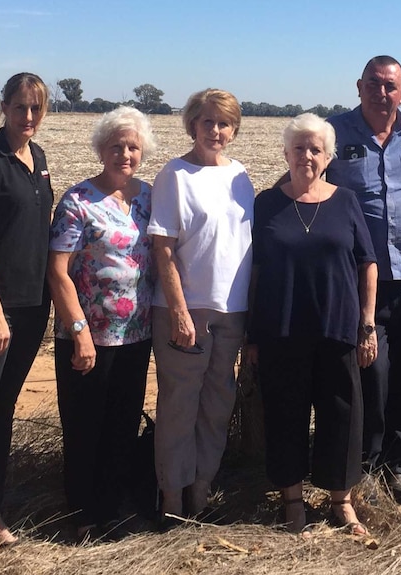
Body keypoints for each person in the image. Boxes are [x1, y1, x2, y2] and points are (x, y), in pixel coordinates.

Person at [245, 113, 377, 535]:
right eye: (298, 147)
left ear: (328, 156)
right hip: (280, 326)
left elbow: (367, 263)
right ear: (285, 153)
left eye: (315, 148)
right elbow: (253, 270)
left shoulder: (345, 200)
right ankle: (293, 501)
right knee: (285, 412)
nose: (306, 155)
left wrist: (367, 324)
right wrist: (251, 334)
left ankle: (341, 501)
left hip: (337, 325)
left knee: (343, 412)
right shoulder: (267, 202)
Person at [324, 55, 401, 504]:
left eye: (391, 86)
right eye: (374, 83)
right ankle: (366, 461)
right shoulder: (333, 133)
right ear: (359, 86)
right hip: (355, 279)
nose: (382, 92)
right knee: (369, 371)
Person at [47, 107, 157, 540]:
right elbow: (57, 271)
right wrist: (78, 332)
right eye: (116, 146)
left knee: (122, 422)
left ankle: (112, 508)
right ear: (101, 150)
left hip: (137, 334)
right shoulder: (77, 201)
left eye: (132, 147)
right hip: (88, 336)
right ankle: (82, 513)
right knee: (84, 423)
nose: (124, 154)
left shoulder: (147, 196)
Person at [149, 89, 254, 521]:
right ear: (192, 124)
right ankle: (171, 497)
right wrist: (178, 310)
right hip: (185, 312)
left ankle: (202, 489)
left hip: (233, 311)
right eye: (207, 121)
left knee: (217, 404)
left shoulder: (241, 176)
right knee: (178, 405)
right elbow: (163, 249)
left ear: (234, 130)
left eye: (224, 123)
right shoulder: (174, 175)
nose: (215, 130)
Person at [0, 73, 52, 554]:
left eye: (36, 110)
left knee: (4, 412)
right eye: (20, 108)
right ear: (3, 107)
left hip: (31, 307)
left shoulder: (38, 159)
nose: (28, 118)